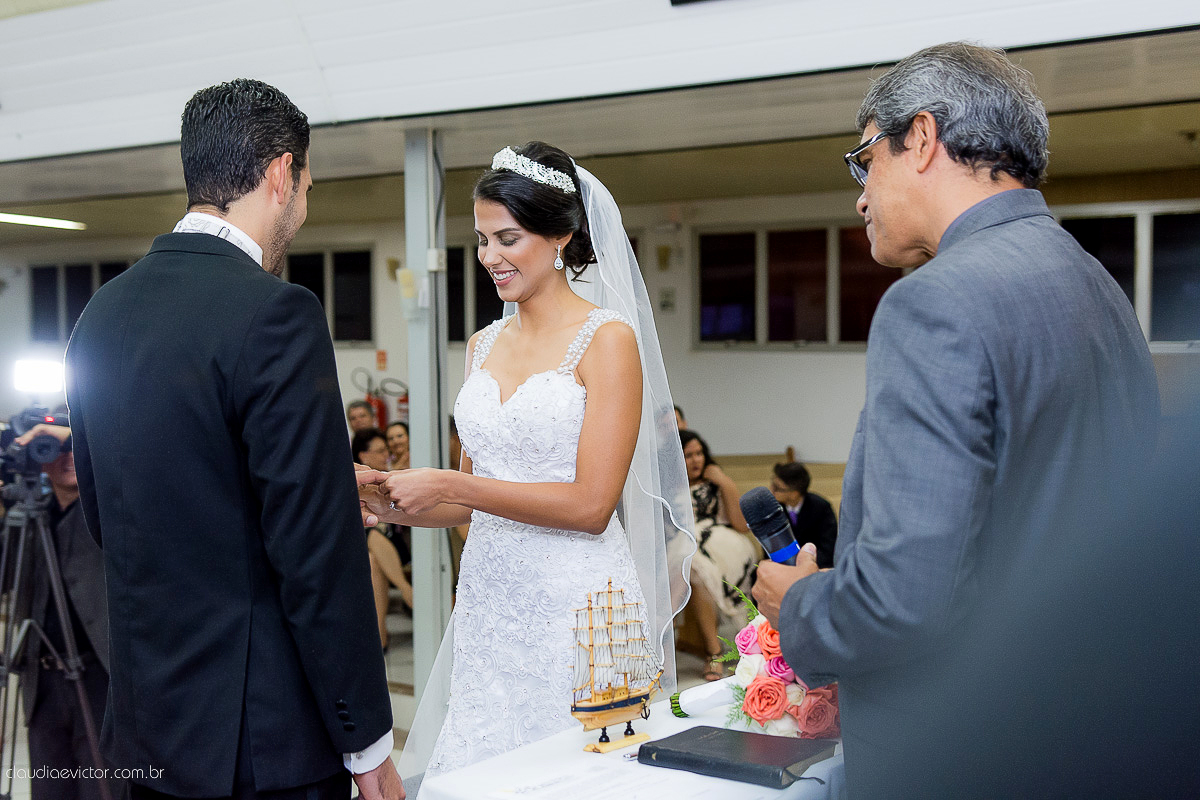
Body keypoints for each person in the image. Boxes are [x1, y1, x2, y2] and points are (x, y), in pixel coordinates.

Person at [751, 42, 1159, 797]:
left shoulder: (933, 301)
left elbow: (906, 599)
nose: (861, 196)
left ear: (924, 139)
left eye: (864, 159)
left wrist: (801, 604)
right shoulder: (1098, 288)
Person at [64, 79, 402, 800]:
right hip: (260, 740)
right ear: (282, 174)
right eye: (307, 186)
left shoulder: (102, 312)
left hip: (149, 734)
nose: (303, 211)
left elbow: (109, 513)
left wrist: (314, 479)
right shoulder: (277, 313)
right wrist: (368, 742)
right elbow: (314, 561)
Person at [357, 141, 694, 785]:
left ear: (561, 236)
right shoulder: (482, 346)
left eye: (507, 238)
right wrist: (389, 501)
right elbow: (467, 500)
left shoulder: (608, 339)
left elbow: (592, 506)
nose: (489, 258)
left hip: (579, 606)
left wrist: (455, 482)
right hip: (491, 601)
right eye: (482, 240)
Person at [9, 422, 127, 800]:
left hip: (99, 675)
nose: (67, 458)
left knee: (102, 788)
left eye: (74, 446)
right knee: (49, 790)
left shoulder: (111, 512)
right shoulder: (26, 517)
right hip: (41, 680)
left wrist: (80, 435)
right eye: (52, 449)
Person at [674, 429, 756, 680]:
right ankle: (714, 651)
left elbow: (741, 525)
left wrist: (725, 482)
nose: (696, 460)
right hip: (684, 544)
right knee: (695, 568)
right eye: (688, 455)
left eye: (699, 453)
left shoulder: (715, 482)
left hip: (723, 542)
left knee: (698, 567)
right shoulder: (668, 486)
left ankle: (734, 650)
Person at [351, 428, 414, 648]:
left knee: (372, 537)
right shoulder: (355, 481)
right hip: (372, 544)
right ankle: (380, 634)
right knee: (371, 557)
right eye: (379, 451)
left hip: (403, 542)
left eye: (386, 450)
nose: (385, 455)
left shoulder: (398, 472)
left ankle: (380, 637)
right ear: (363, 456)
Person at [768, 461, 837, 569]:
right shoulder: (772, 509)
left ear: (794, 493)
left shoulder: (821, 507)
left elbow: (828, 548)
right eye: (773, 484)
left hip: (816, 567)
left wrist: (805, 567)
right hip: (783, 569)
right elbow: (769, 547)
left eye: (777, 488)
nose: (771, 490)